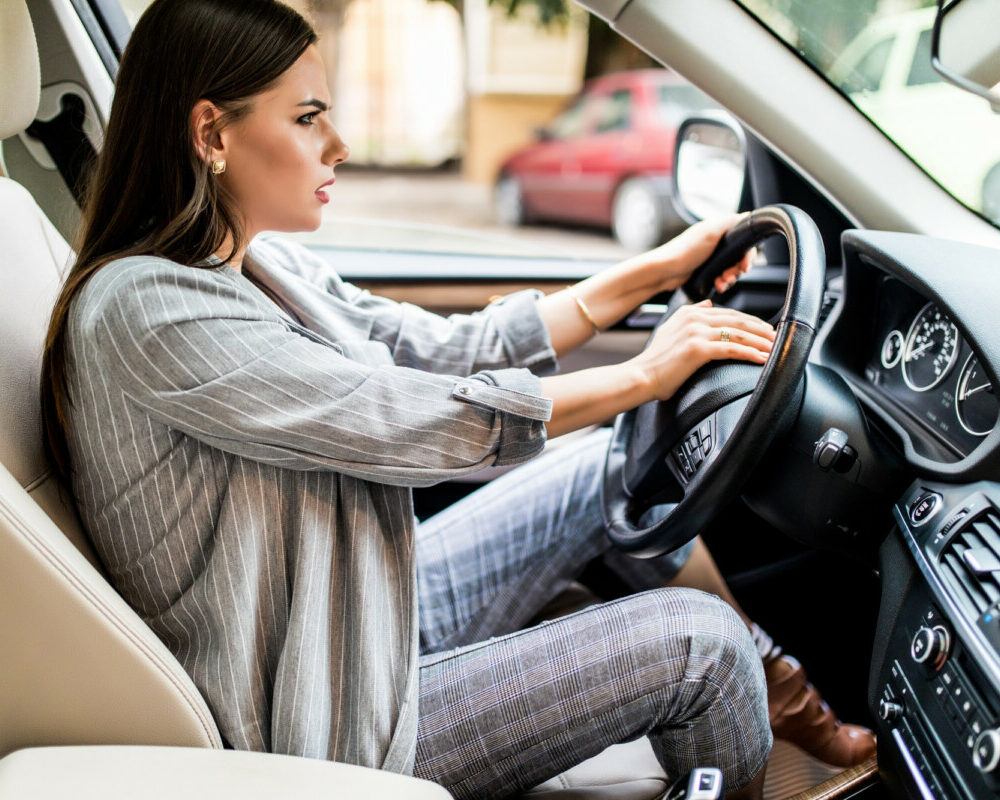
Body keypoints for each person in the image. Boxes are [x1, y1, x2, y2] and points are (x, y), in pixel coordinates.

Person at [39, 1, 870, 797]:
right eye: (307, 118)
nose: (340, 145)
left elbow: (434, 348)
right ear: (211, 132)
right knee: (704, 647)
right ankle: (756, 711)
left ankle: (788, 705)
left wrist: (652, 270)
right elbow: (405, 415)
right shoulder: (146, 308)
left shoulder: (255, 262)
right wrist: (642, 377)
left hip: (367, 613)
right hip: (325, 723)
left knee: (602, 470)